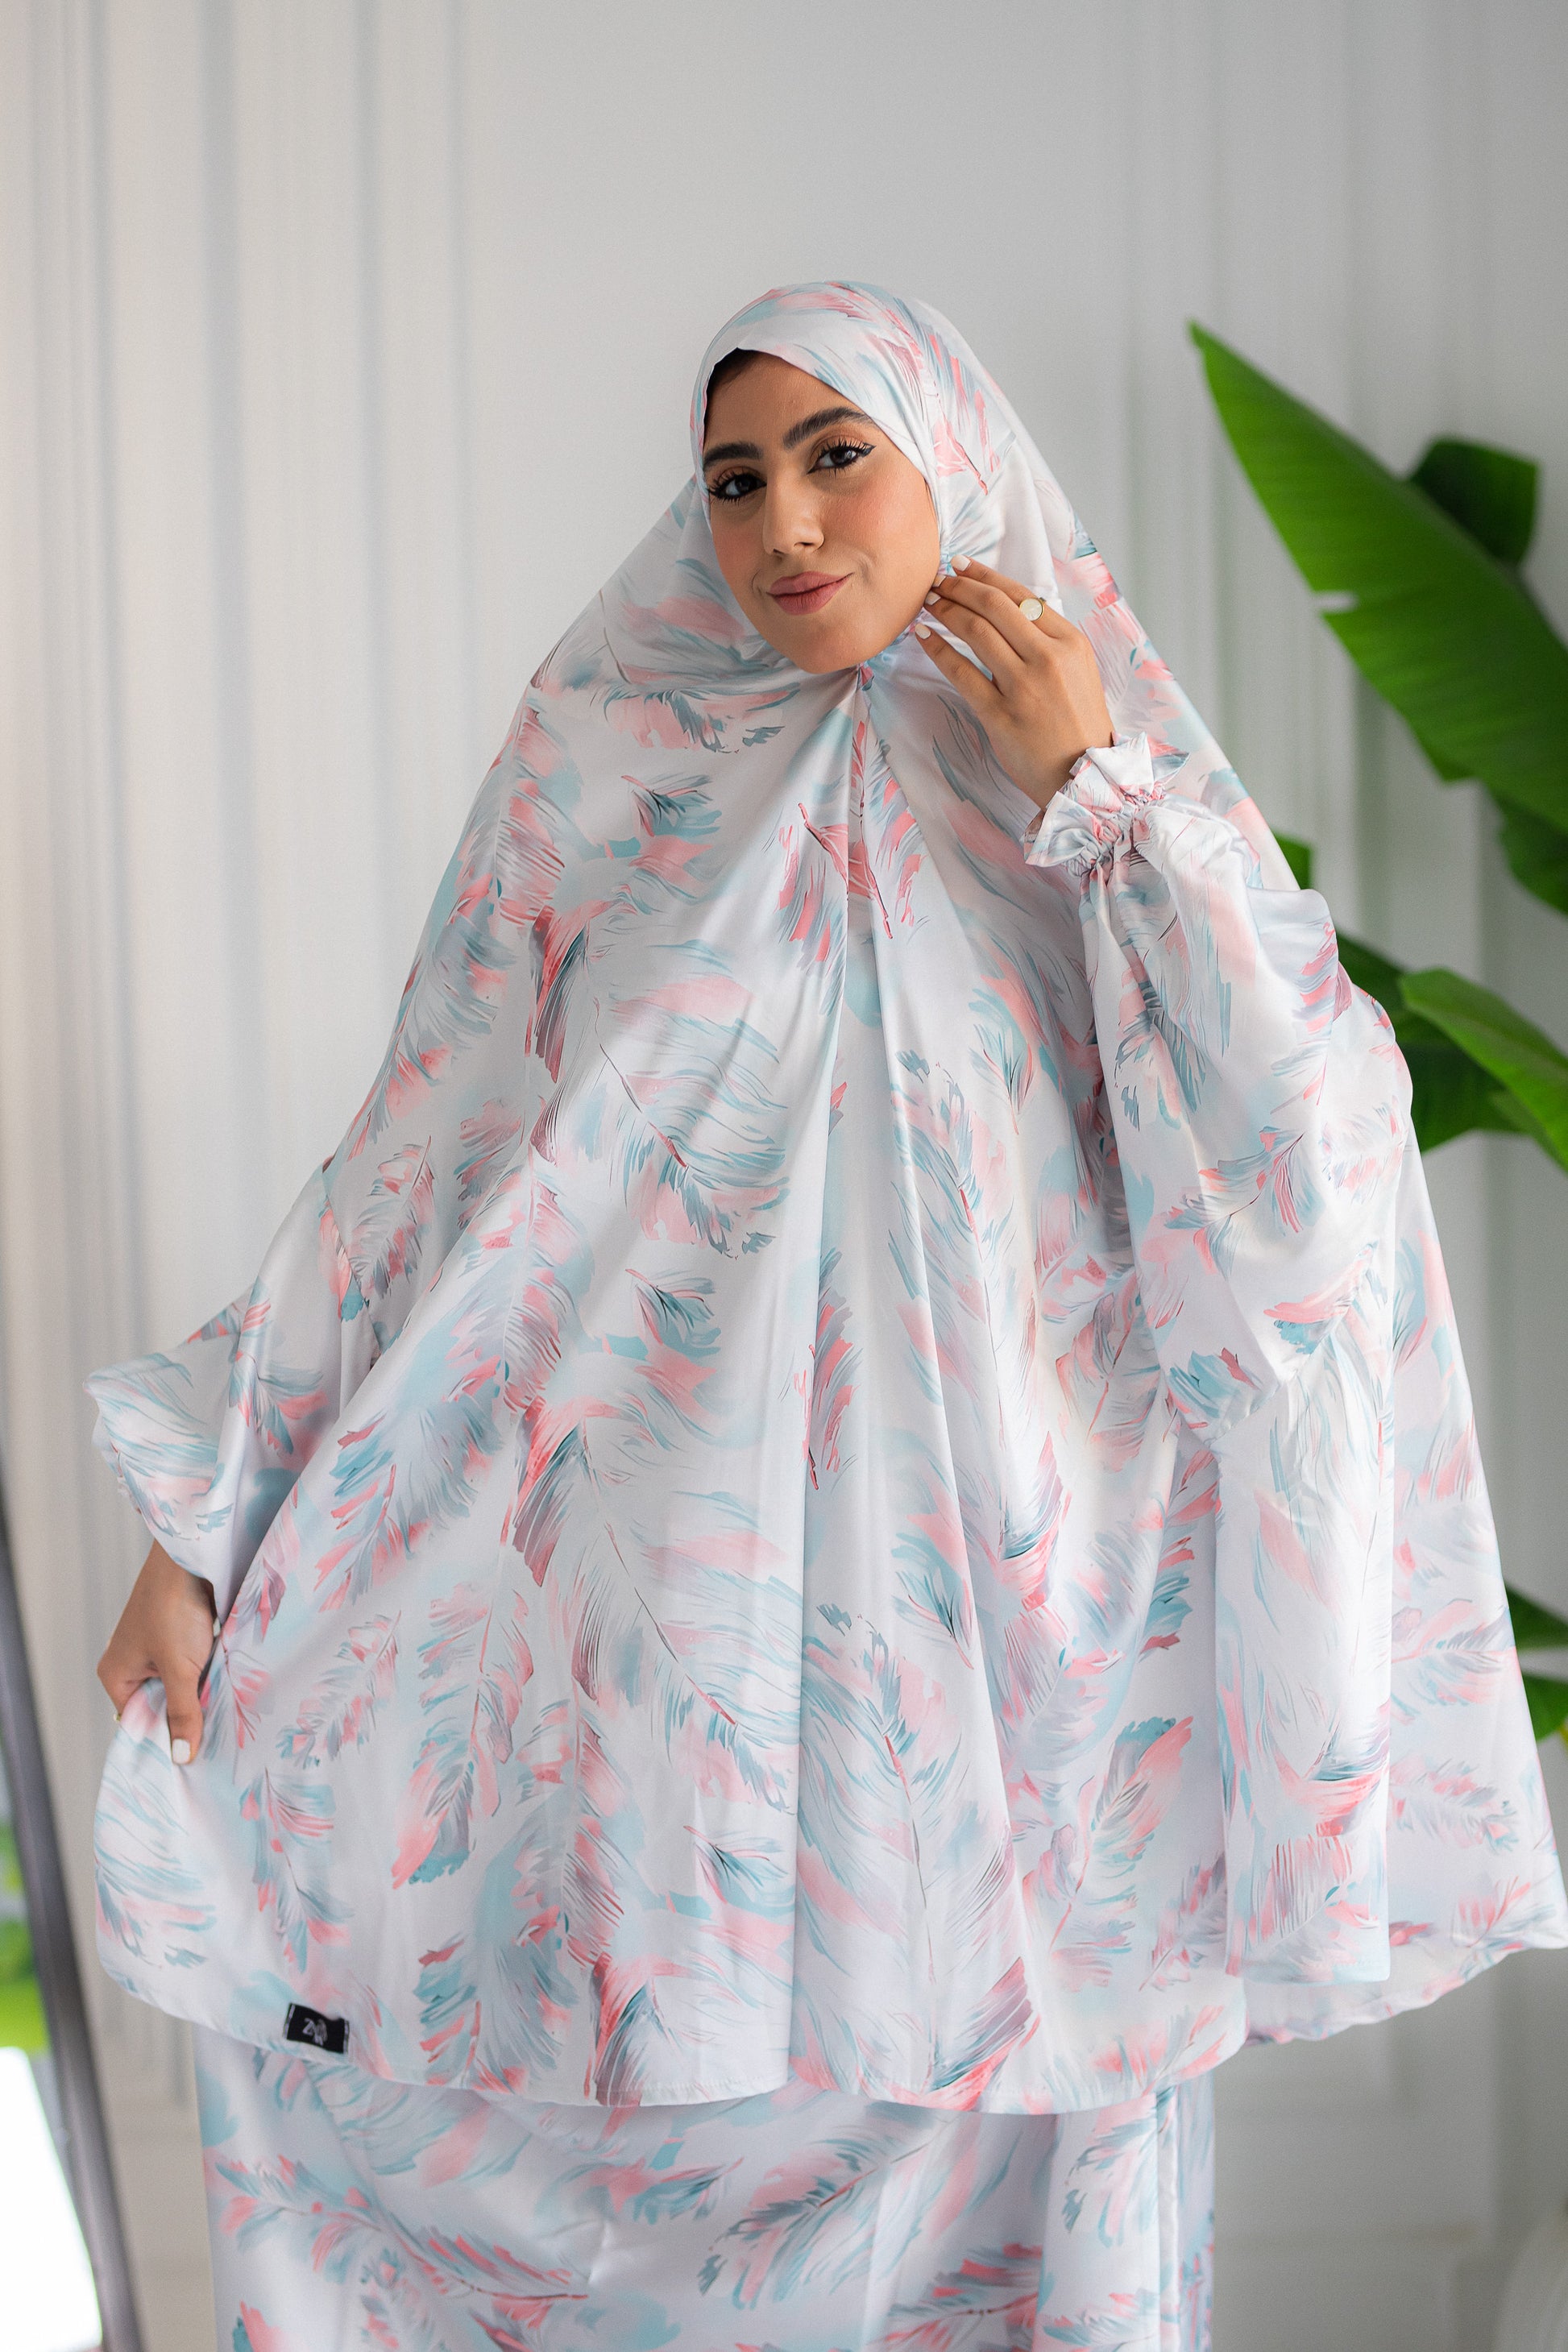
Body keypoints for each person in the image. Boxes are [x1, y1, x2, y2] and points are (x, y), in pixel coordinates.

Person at [90, 282, 1566, 2352]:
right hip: (648, 1655)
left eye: (834, 454)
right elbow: (420, 1172)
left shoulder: (1108, 794)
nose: (781, 520)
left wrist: (1095, 793)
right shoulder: (610, 768)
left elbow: (1305, 1151)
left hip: (1011, 1667)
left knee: (1011, 2173)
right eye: (732, 478)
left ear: (948, 454)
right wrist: (200, 1523)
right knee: (602, 2107)